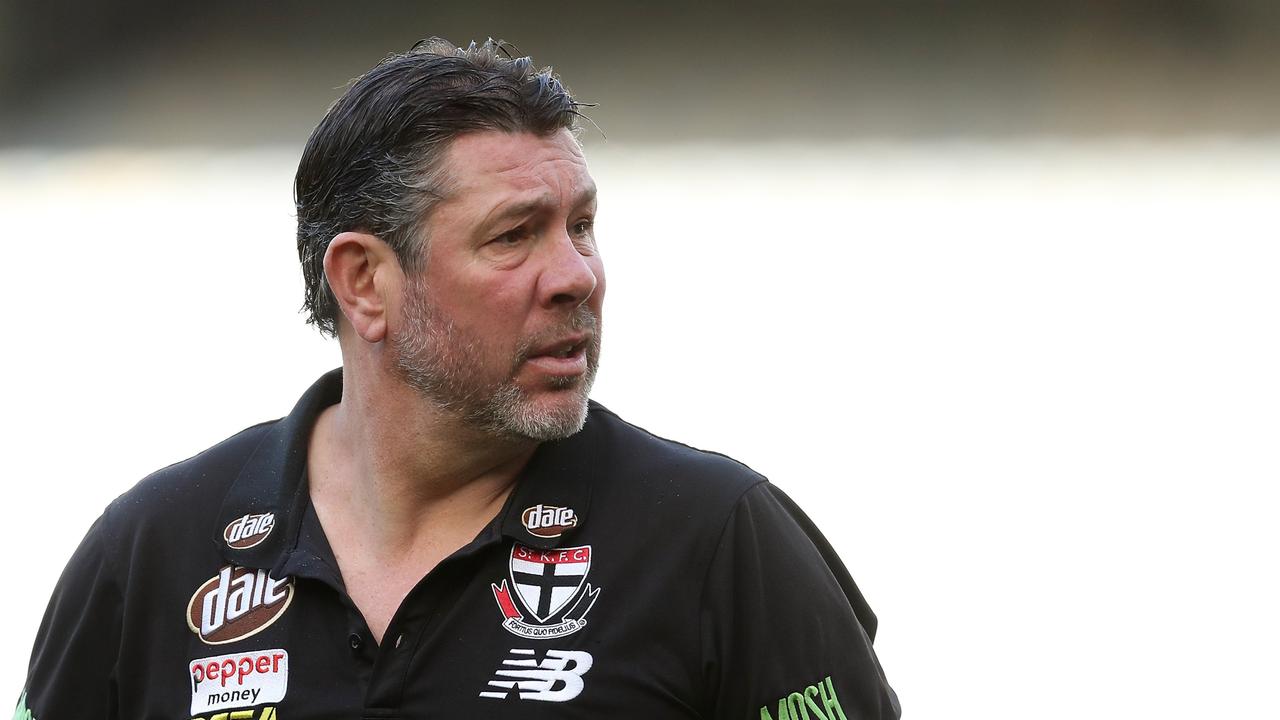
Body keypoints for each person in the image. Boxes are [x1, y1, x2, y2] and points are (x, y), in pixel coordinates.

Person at [16, 38, 900, 720]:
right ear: (365, 282)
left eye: (581, 226)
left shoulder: (718, 539)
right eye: (513, 235)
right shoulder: (152, 553)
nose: (576, 275)